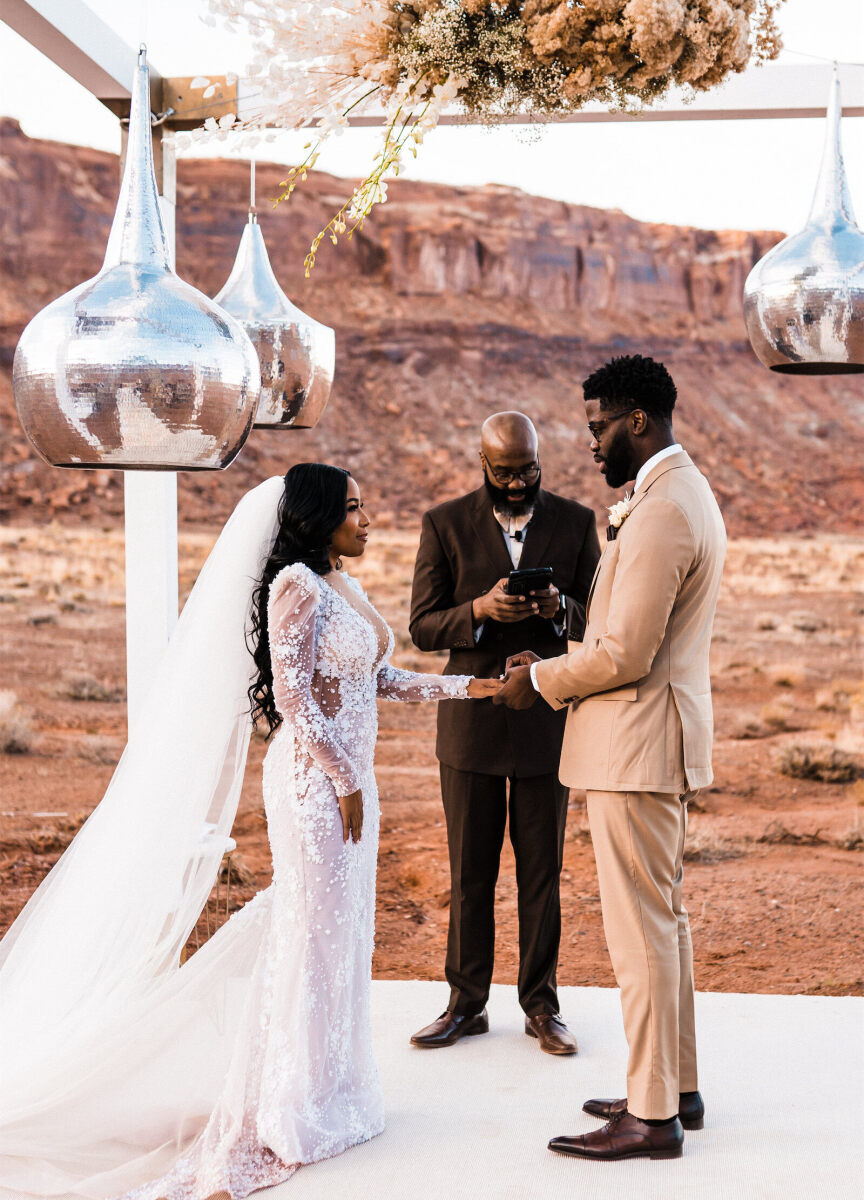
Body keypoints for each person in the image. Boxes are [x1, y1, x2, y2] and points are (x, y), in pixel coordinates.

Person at [0, 464, 500, 1200]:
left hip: (351, 786)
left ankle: (329, 1089)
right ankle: (287, 1105)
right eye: (354, 508)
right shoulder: (294, 586)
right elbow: (296, 695)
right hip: (314, 786)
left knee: (339, 934)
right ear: (320, 515)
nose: (368, 519)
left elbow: (380, 680)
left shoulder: (343, 584)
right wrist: (344, 778)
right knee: (309, 932)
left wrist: (475, 687)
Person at [496, 356, 726, 1161]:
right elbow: (632, 628)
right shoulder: (678, 494)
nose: (589, 444)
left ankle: (651, 1116)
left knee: (641, 936)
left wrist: (540, 680)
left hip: (636, 744)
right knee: (665, 925)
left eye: (598, 428)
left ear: (637, 421)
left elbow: (628, 652)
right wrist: (576, 613)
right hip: (650, 739)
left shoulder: (663, 508)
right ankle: (675, 1088)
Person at [408, 413, 601, 1054]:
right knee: (470, 872)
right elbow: (423, 625)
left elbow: (600, 615)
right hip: (471, 728)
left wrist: (559, 610)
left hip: (547, 722)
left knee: (542, 871)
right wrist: (479, 612)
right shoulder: (443, 523)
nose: (517, 483)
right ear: (483, 463)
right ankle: (466, 1005)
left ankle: (541, 1008)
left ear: (541, 460)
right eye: (504, 472)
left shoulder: (575, 523)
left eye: (527, 470)